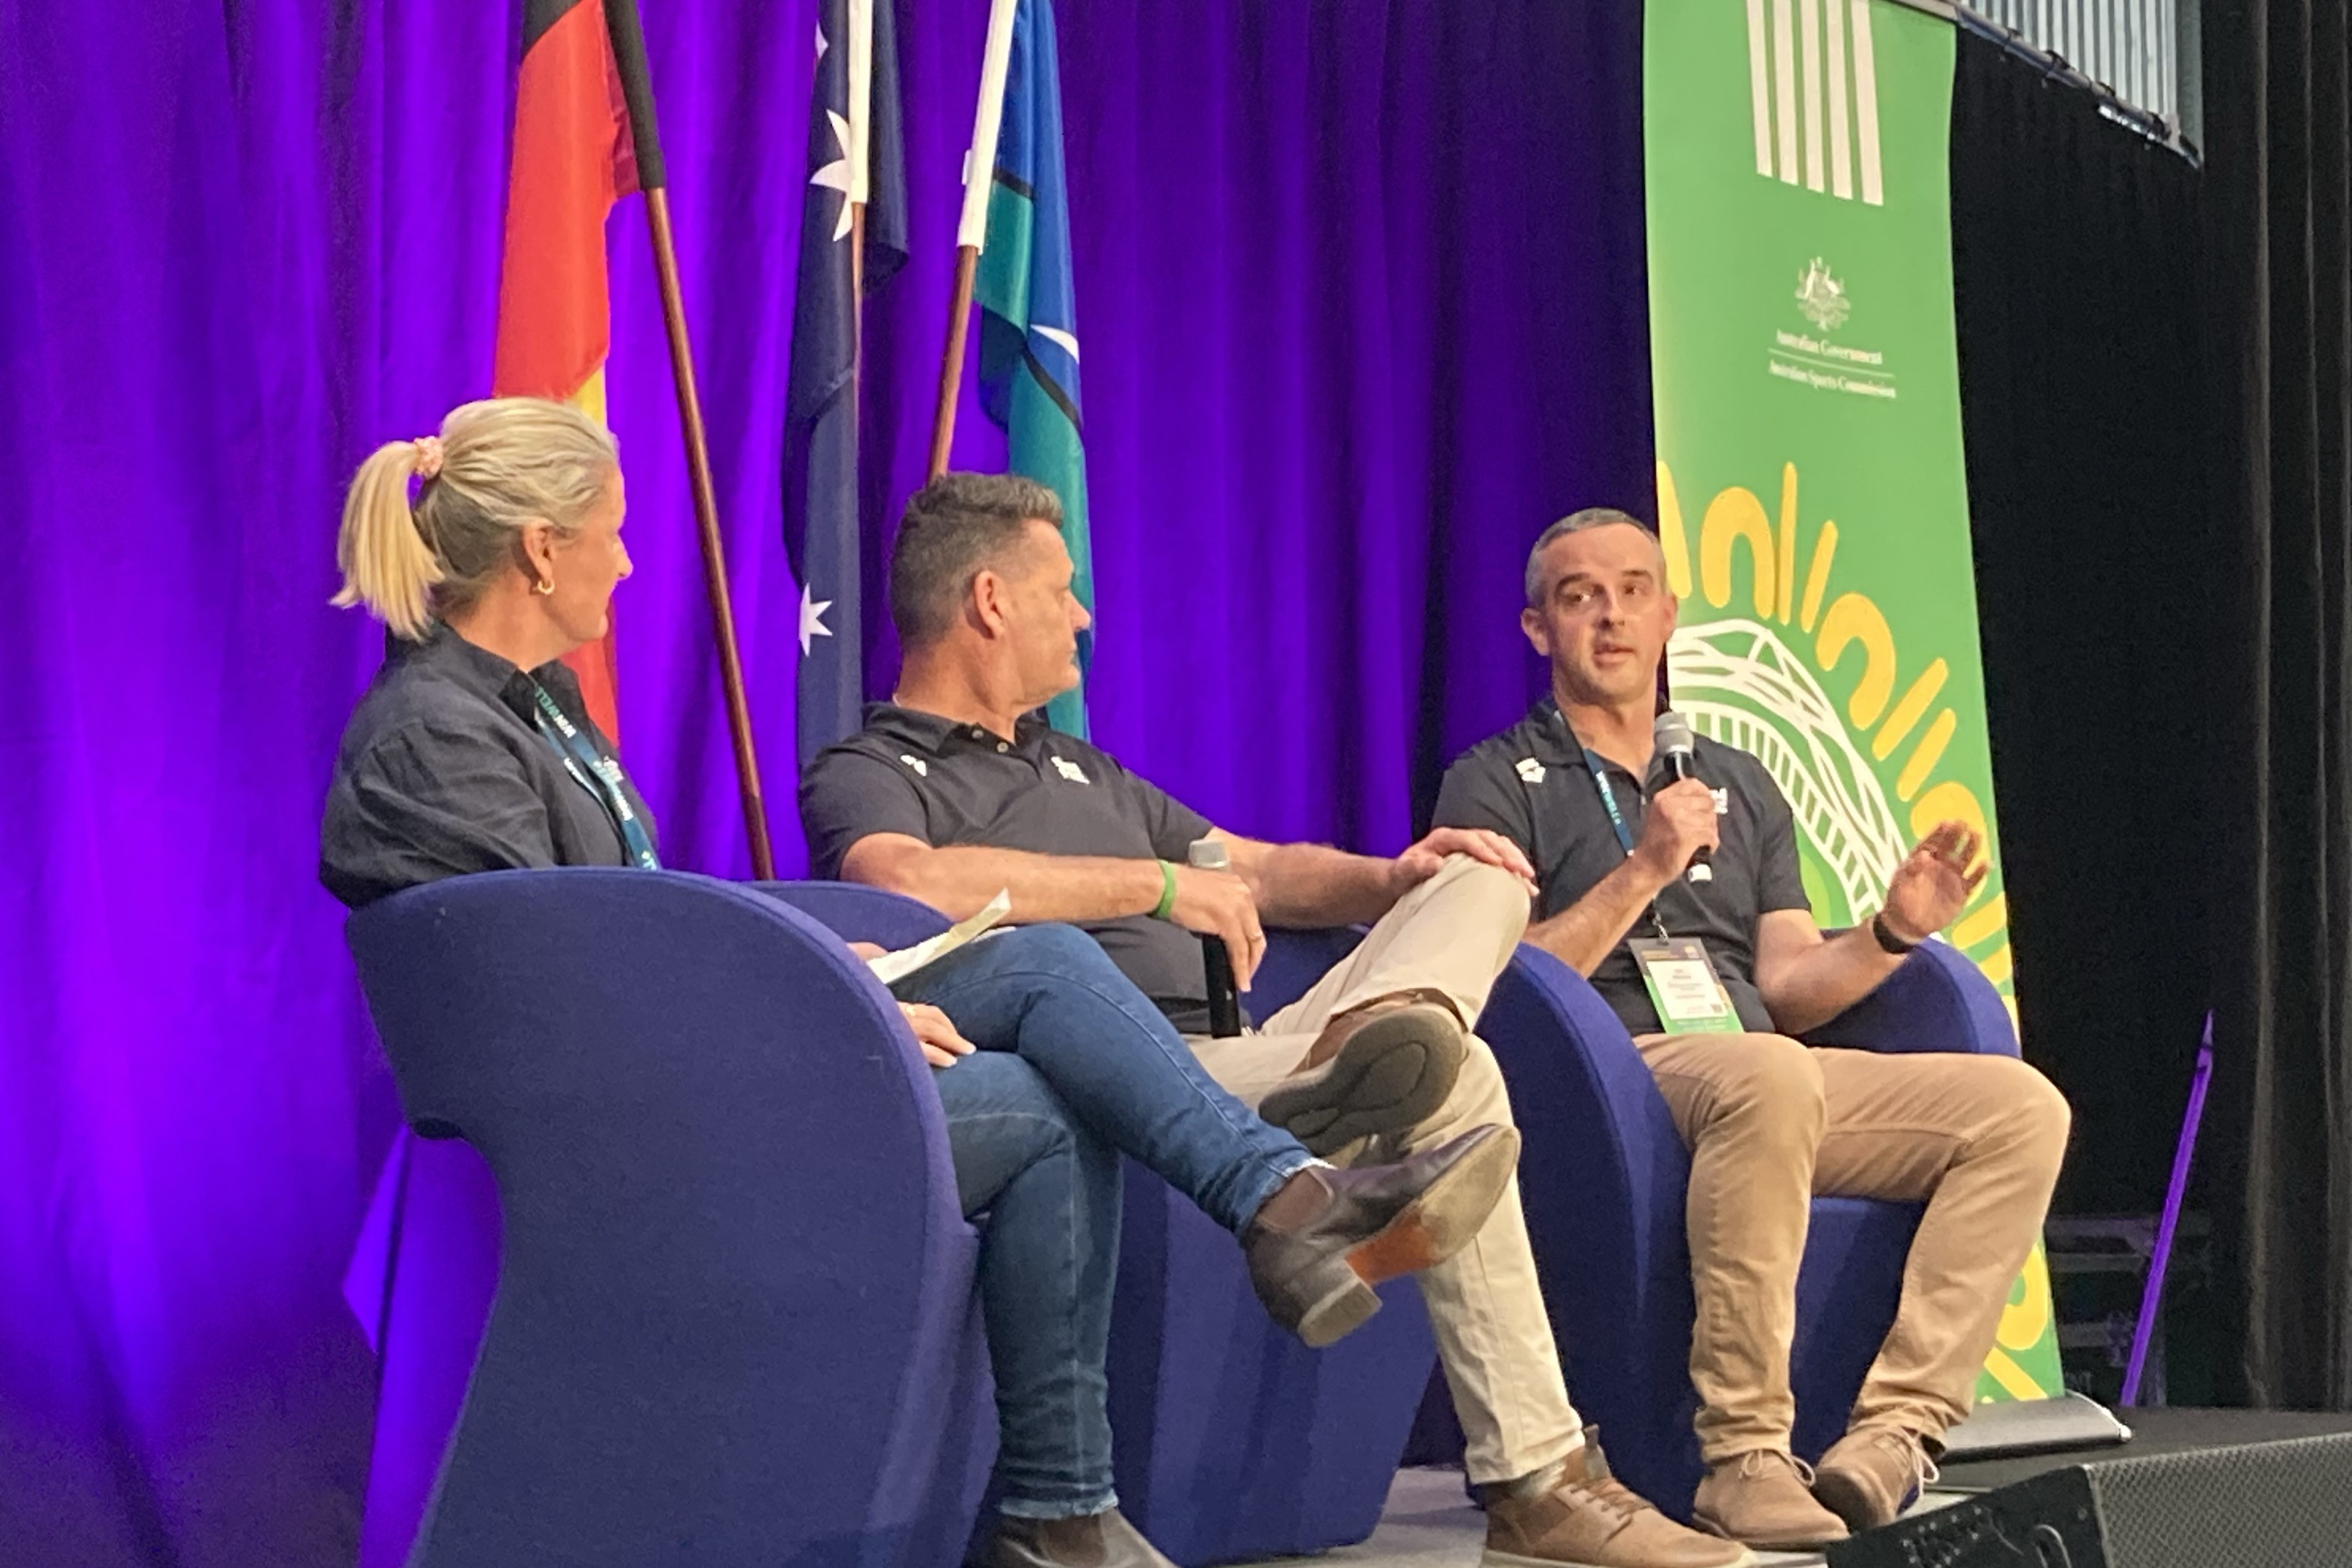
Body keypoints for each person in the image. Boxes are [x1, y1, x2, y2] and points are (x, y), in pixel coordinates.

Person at [317, 398, 1517, 1568]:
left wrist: (837, 979)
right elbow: (564, 984)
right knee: (1050, 1102)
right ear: (541, 550)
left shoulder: (534, 712)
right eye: (613, 534)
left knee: (1042, 999)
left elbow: (624, 942)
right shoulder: (440, 733)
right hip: (638, 1131)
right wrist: (819, 1018)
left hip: (681, 1078)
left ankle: (1100, 1460)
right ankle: (1221, 1295)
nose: (628, 566)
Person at [802, 473, 1752, 1568]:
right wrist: (1151, 887)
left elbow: (1251, 868)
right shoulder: (872, 769)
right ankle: (1538, 1481)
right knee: (1468, 1082)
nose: (1083, 616)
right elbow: (908, 882)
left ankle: (1396, 1028)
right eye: (1062, 592)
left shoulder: (1079, 764)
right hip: (1122, 1086)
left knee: (1482, 882)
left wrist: (1393, 877)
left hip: (1252, 1055)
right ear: (989, 601)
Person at [1430, 507, 2073, 1550]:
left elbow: (1784, 981)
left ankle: (1897, 1434)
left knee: (2017, 1110)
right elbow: (1506, 982)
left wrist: (1888, 931)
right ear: (1537, 628)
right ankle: (1741, 1453)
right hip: (1614, 1076)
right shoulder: (1497, 780)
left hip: (1758, 1070)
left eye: (1634, 590)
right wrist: (1644, 866)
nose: (1611, 616)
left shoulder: (1736, 778)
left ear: (1669, 615)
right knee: (1769, 1074)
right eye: (1580, 595)